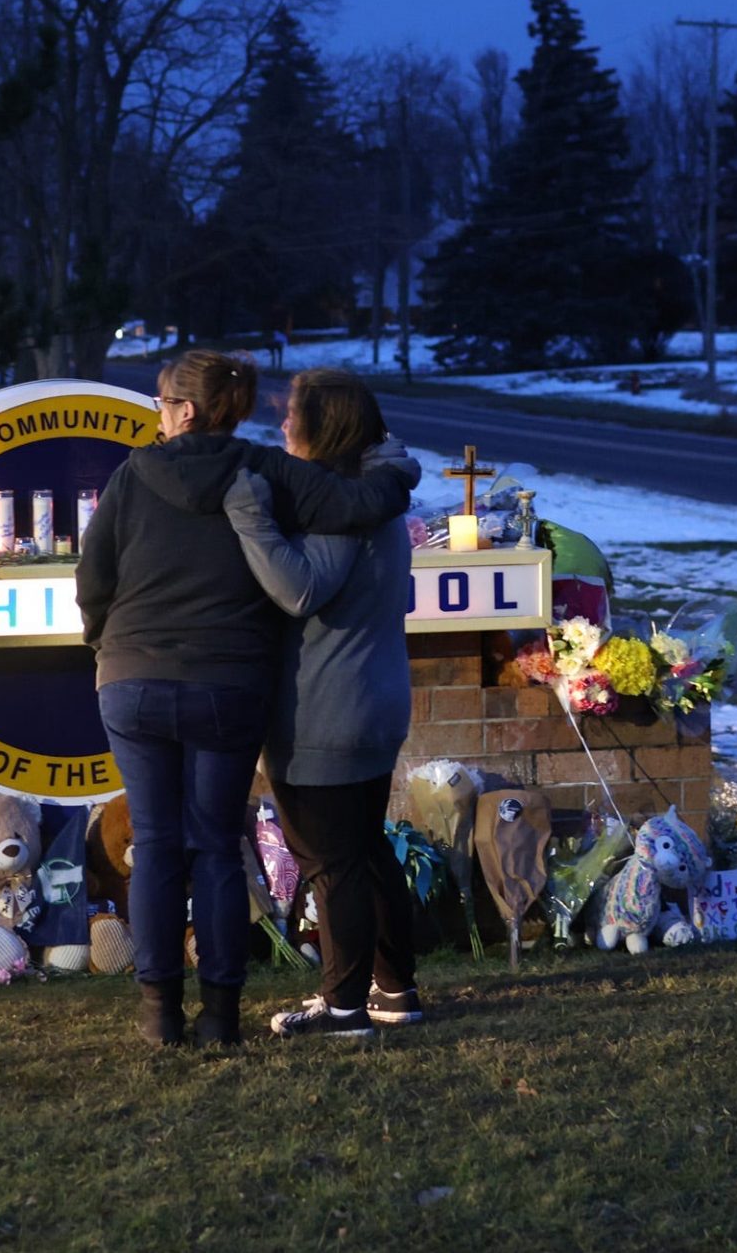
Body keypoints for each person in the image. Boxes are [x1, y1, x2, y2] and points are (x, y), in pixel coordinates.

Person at [75, 348, 415, 1047]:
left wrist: (106, 645)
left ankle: (159, 1013)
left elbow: (92, 577)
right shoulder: (266, 470)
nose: (159, 415)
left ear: (188, 410)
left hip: (132, 680)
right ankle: (220, 1017)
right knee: (218, 849)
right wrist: (397, 467)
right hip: (227, 684)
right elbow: (359, 502)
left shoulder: (133, 474)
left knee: (158, 845)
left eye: (164, 403)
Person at [223, 368, 423, 1038]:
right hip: (374, 697)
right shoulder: (373, 492)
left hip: (329, 709)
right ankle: (394, 989)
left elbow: (300, 588)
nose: (282, 426)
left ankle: (343, 1007)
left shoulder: (341, 503)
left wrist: (249, 513)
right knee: (365, 850)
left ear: (326, 423)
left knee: (332, 862)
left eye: (292, 414)